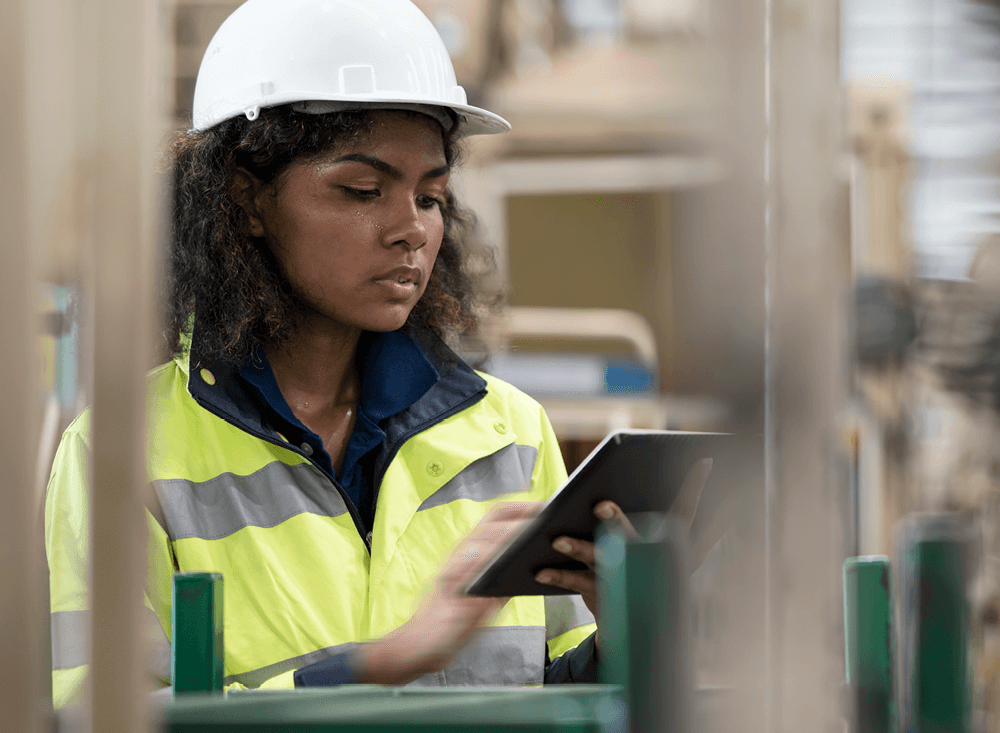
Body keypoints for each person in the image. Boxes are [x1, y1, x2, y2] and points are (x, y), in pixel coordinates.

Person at [44, 0, 624, 706]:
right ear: (246, 200)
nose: (411, 229)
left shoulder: (511, 435)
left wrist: (622, 632)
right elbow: (95, 715)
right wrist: (376, 665)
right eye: (363, 190)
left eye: (432, 197)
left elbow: (554, 698)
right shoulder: (123, 453)